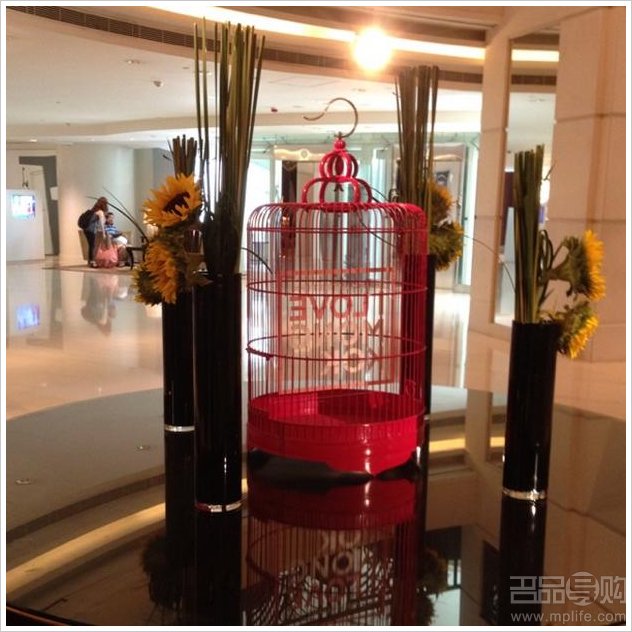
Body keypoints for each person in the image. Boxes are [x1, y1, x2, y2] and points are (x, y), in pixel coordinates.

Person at [83, 197, 108, 268]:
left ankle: (90, 261)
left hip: (86, 229)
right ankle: (93, 262)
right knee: (93, 246)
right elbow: (102, 224)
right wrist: (104, 234)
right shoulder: (100, 212)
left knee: (91, 245)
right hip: (92, 230)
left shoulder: (94, 210)